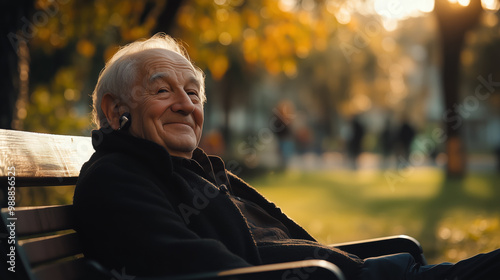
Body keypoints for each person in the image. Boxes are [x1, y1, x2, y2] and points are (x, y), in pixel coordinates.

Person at [73, 33, 500, 280]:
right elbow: (201, 269)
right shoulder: (117, 179)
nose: (186, 105)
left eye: (193, 93)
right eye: (163, 90)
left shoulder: (190, 171)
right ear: (115, 110)